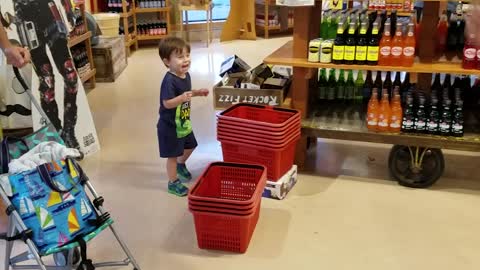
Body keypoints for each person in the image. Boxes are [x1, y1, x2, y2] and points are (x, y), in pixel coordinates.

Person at [157, 37, 209, 197]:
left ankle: (181, 164)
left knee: (191, 145)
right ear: (167, 62)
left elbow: (186, 93)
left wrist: (197, 93)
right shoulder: (169, 81)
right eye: (180, 57)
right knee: (172, 156)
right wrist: (180, 99)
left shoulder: (185, 75)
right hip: (170, 126)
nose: (185, 60)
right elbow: (166, 103)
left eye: (187, 55)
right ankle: (172, 182)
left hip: (183, 121)